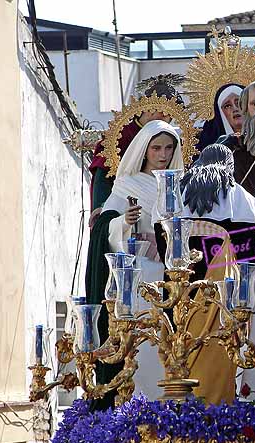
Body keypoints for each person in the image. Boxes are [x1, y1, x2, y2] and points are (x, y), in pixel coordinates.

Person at [85, 120, 184, 409]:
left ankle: (164, 408)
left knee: (166, 346)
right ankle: (133, 405)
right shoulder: (127, 183)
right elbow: (105, 226)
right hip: (139, 277)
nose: (163, 154)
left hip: (169, 278)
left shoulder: (180, 185)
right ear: (144, 150)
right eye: (156, 148)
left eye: (168, 147)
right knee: (138, 345)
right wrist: (122, 222)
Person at [162, 143, 255, 404]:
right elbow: (249, 255)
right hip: (222, 291)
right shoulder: (239, 197)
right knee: (219, 349)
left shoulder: (175, 193)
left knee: (179, 351)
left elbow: (164, 243)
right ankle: (214, 416)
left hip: (178, 290)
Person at [89, 75, 184, 227]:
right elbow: (102, 178)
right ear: (150, 108)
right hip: (125, 206)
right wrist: (103, 207)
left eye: (171, 115)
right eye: (165, 112)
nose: (168, 119)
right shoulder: (121, 137)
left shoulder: (169, 138)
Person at [196, 84, 244, 151]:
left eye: (239, 103)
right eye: (227, 106)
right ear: (221, 113)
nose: (235, 109)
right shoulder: (212, 150)